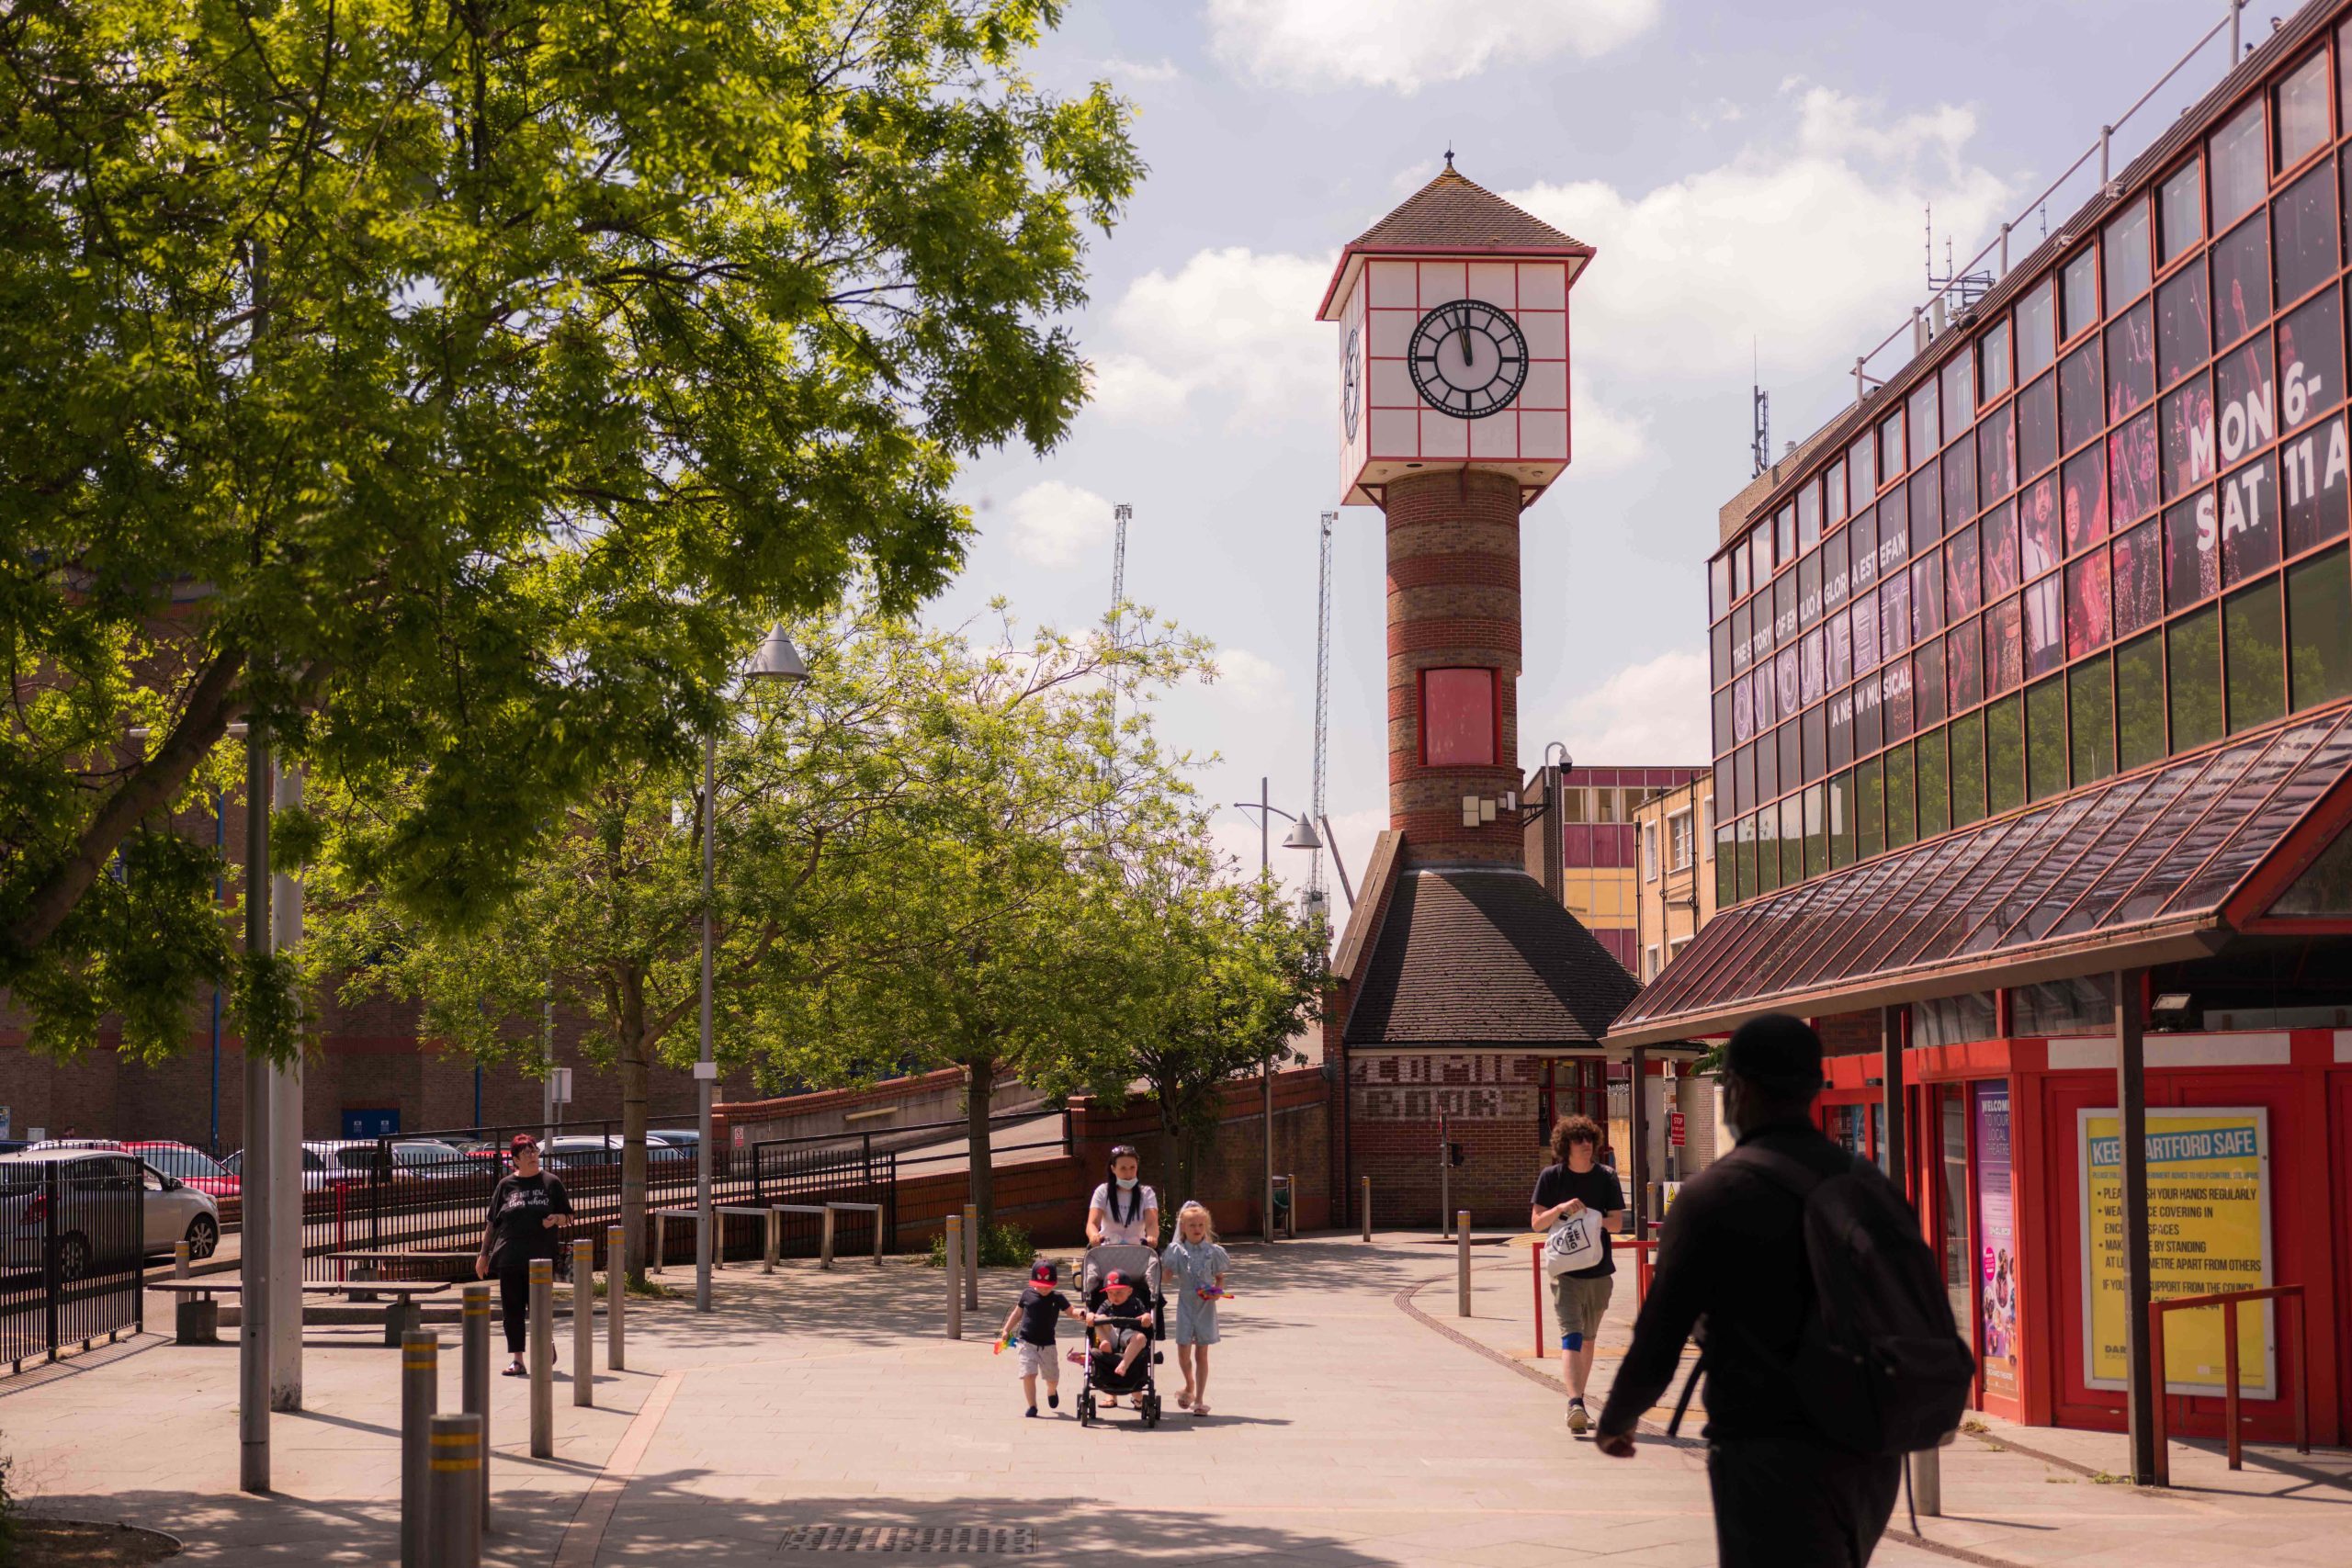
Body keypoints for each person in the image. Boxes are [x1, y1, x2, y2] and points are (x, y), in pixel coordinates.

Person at [1594, 1014, 1903, 1568]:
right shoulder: (1867, 1185)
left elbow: (1660, 1331)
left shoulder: (1713, 1196)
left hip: (1767, 1446)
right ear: (1813, 1088)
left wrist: (1618, 1417)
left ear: (1737, 1089)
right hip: (1871, 1445)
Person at [1532, 1114, 1626, 1434]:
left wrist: (1592, 1216)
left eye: (1589, 1139)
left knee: (1588, 1340)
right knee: (1571, 1334)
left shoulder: (1607, 1178)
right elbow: (1536, 1223)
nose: (1586, 1145)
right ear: (1565, 1146)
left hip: (1599, 1273)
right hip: (1565, 1273)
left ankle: (1580, 1402)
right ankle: (1574, 1403)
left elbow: (1616, 1223)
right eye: (1578, 1140)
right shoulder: (1551, 1177)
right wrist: (1561, 1209)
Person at [474, 1134, 574, 1377]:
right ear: (516, 1160)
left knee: (540, 1306)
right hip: (509, 1256)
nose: (532, 1156)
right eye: (526, 1152)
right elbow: (493, 1224)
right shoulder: (505, 1185)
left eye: (534, 1151)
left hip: (540, 1258)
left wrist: (555, 1220)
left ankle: (545, 1344)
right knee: (512, 1310)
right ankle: (517, 1360)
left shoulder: (551, 1182)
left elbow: (569, 1216)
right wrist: (483, 1254)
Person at [1160, 1201, 1229, 1416]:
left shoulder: (1213, 1251)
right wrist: (1165, 1273)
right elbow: (1167, 1277)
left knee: (1202, 1352)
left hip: (1205, 1304)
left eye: (1201, 1225)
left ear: (1205, 1227)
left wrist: (1217, 1291)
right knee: (1183, 1352)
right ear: (1183, 1228)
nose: (1197, 1229)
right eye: (1192, 1226)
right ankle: (1189, 1384)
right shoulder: (1176, 1251)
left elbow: (1220, 1278)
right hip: (1186, 1302)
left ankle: (1199, 1399)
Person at [998, 1260, 1078, 1417]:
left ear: (1054, 1283)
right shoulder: (1027, 1294)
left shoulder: (1058, 1298)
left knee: (1052, 1378)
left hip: (1048, 1345)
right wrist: (1006, 1329)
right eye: (1040, 1285)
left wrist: (1081, 1314)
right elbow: (1017, 1313)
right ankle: (1032, 1406)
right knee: (1028, 1374)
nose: (1044, 1288)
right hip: (1026, 1342)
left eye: (1048, 1285)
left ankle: (1052, 1391)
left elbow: (1071, 1312)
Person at [1080, 1269, 1154, 1397]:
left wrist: (1147, 1317)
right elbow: (1096, 1317)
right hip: (1111, 1334)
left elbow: (1146, 1315)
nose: (1115, 1296)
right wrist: (1091, 1316)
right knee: (1099, 1318)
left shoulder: (1136, 1303)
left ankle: (1124, 1365)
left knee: (1141, 1338)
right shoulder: (1106, 1304)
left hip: (1129, 1334)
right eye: (1111, 1293)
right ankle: (1104, 1342)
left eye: (1119, 1292)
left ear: (1129, 1291)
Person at [1086, 1145, 1159, 1247]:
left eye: (1132, 1168)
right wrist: (1094, 1235)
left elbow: (1152, 1223)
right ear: (1113, 1169)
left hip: (1138, 1251)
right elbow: (1092, 1223)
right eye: (1123, 1168)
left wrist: (1152, 1236)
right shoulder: (1102, 1191)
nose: (1128, 1173)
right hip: (1108, 1249)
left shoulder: (1147, 1193)